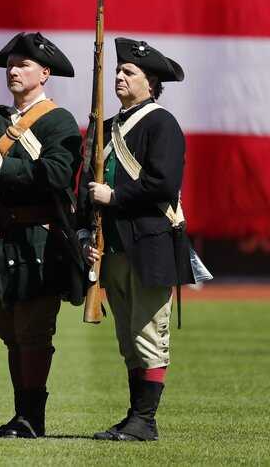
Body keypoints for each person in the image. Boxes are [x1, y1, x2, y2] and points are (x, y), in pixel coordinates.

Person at [78, 37, 206, 441]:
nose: (118, 76)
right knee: (128, 338)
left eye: (128, 72)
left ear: (150, 83)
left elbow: (164, 185)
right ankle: (135, 417)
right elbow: (86, 185)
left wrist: (115, 196)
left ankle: (144, 421)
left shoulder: (161, 124)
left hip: (149, 244)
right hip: (114, 246)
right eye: (117, 71)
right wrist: (85, 230)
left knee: (148, 333)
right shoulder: (107, 127)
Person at [0, 32, 86, 439]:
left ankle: (32, 418)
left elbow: (58, 174)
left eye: (24, 64)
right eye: (10, 64)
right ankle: (21, 416)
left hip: (38, 242)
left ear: (45, 73)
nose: (13, 70)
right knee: (10, 331)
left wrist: (6, 169)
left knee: (33, 332)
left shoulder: (58, 122)